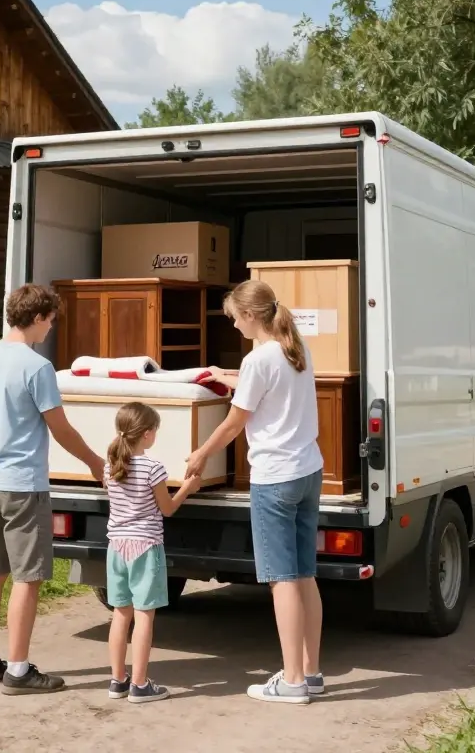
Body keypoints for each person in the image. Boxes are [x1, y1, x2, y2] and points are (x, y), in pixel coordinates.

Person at [184, 279, 324, 705]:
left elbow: (234, 421)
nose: (233, 325)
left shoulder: (259, 360)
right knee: (304, 576)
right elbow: (260, 386)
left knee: (281, 580)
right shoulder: (294, 350)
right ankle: (311, 672)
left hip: (275, 479)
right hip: (307, 472)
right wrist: (227, 375)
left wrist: (201, 454)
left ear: (249, 316)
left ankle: (292, 682)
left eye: (233, 318)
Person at [0, 283, 106, 696]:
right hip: (24, 484)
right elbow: (59, 427)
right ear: (40, 317)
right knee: (28, 577)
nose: (51, 329)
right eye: (51, 320)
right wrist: (95, 463)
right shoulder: (36, 367)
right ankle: (19, 670)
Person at [104, 401, 201, 704]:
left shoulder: (109, 466)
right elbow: (168, 508)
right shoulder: (152, 467)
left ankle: (118, 680)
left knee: (121, 614)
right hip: (145, 547)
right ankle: (140, 684)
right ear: (147, 434)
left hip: (116, 546)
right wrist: (187, 487)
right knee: (145, 615)